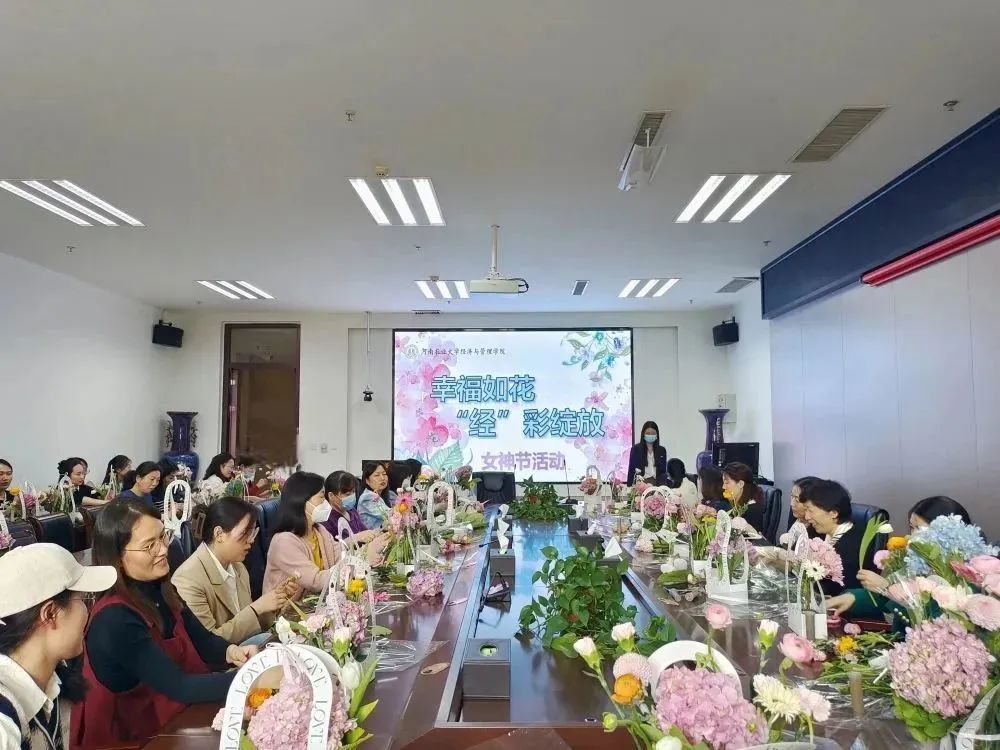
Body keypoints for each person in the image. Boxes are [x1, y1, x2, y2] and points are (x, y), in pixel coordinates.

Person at [72, 498, 255, 749]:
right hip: (134, 739)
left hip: (175, 720)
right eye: (149, 546)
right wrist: (253, 677)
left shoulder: (162, 588)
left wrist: (231, 651)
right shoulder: (115, 619)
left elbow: (204, 641)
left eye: (162, 537)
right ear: (118, 557)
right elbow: (179, 686)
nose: (162, 550)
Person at [0, 544, 117, 750]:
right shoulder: (4, 725)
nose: (88, 611)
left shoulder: (50, 682)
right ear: (50, 614)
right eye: (84, 599)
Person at [172, 497, 300, 645]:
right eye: (245, 533)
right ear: (219, 534)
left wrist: (276, 602)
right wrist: (256, 607)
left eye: (253, 532)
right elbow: (209, 644)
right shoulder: (188, 579)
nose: (251, 540)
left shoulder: (238, 567)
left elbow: (252, 625)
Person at [827, 496, 973, 616]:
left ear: (946, 532)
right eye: (912, 527)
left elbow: (934, 617)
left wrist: (887, 588)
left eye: (919, 528)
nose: (912, 536)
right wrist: (852, 598)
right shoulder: (915, 561)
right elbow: (887, 603)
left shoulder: (968, 573)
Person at [263, 472, 342, 594]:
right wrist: (349, 568)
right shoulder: (284, 541)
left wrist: (363, 555)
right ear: (301, 500)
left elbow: (341, 556)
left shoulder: (320, 531)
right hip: (288, 605)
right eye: (322, 497)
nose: (326, 503)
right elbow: (315, 581)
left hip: (318, 600)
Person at [799, 479, 867, 595]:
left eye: (810, 511)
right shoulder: (819, 531)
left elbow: (838, 589)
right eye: (806, 511)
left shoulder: (852, 545)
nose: (807, 517)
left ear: (833, 513)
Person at [321, 471, 370, 539]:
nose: (352, 496)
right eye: (347, 494)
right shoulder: (327, 520)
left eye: (353, 492)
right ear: (331, 496)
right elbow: (334, 544)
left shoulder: (352, 511)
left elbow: (366, 532)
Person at [722, 462, 765, 532]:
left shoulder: (753, 511)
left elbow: (754, 537)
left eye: (727, 483)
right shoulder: (734, 506)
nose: (723, 487)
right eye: (723, 483)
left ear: (741, 484)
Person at [356, 462, 396, 530]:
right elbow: (390, 514)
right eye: (377, 475)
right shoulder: (367, 497)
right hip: (371, 536)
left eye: (384, 474)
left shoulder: (386, 494)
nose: (382, 478)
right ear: (367, 481)